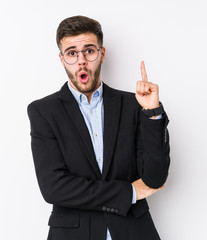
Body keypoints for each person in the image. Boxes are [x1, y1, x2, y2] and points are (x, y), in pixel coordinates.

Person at [27, 15, 170, 240]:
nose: (81, 60)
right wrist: (129, 192)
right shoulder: (43, 112)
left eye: (89, 51)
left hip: (133, 231)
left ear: (101, 54)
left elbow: (154, 179)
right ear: (62, 59)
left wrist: (152, 113)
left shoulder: (133, 104)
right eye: (72, 53)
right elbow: (54, 188)